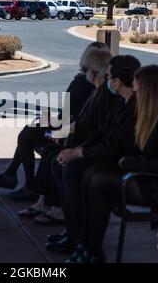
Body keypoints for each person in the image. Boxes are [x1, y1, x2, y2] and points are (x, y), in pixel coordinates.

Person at [68, 65, 158, 263]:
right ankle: (86, 245)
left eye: (138, 91)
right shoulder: (155, 114)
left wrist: (130, 162)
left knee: (99, 181)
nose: (135, 95)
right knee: (91, 174)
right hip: (157, 178)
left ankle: (93, 251)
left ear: (149, 91)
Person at [0, 42, 107, 202]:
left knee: (27, 135)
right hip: (75, 129)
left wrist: (50, 120)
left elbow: (65, 118)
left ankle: (27, 184)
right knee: (31, 129)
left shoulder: (80, 83)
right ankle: (12, 174)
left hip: (69, 133)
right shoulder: (105, 86)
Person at [46, 55, 140, 255]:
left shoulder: (132, 105)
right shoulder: (123, 102)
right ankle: (76, 234)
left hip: (123, 163)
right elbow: (103, 132)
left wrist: (81, 152)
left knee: (78, 170)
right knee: (61, 162)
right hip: (113, 155)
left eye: (109, 76)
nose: (106, 80)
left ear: (116, 81)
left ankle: (82, 241)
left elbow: (117, 145)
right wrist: (77, 150)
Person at [19, 47, 119, 226]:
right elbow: (81, 121)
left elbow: (92, 126)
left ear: (94, 71)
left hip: (94, 147)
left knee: (54, 156)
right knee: (48, 148)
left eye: (85, 70)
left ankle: (62, 211)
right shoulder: (98, 91)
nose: (83, 73)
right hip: (80, 136)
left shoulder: (99, 92)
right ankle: (46, 202)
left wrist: (77, 148)